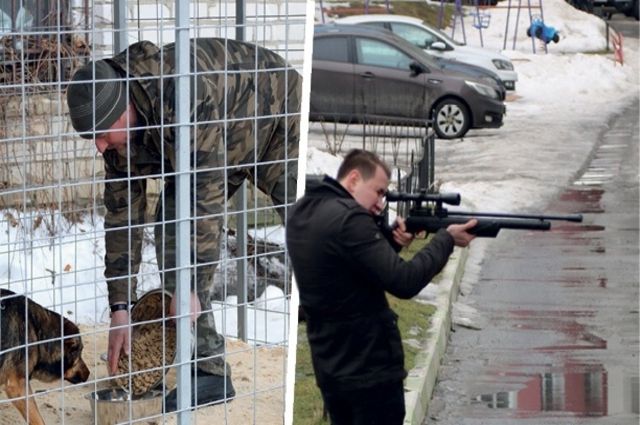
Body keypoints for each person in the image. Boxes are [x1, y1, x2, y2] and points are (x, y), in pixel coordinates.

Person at [66, 38, 301, 410]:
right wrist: (120, 308)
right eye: (90, 137)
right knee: (170, 225)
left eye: (101, 132)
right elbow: (123, 218)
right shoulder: (117, 136)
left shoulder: (184, 97)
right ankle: (208, 369)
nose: (98, 147)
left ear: (124, 108)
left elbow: (203, 203)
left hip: (273, 112)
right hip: (219, 135)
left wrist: (191, 284)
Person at [286, 149, 476, 425]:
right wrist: (444, 241)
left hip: (331, 366)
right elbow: (404, 282)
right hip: (368, 370)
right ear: (353, 179)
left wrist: (392, 243)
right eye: (378, 191)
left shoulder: (305, 211)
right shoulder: (350, 219)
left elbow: (346, 272)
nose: (380, 203)